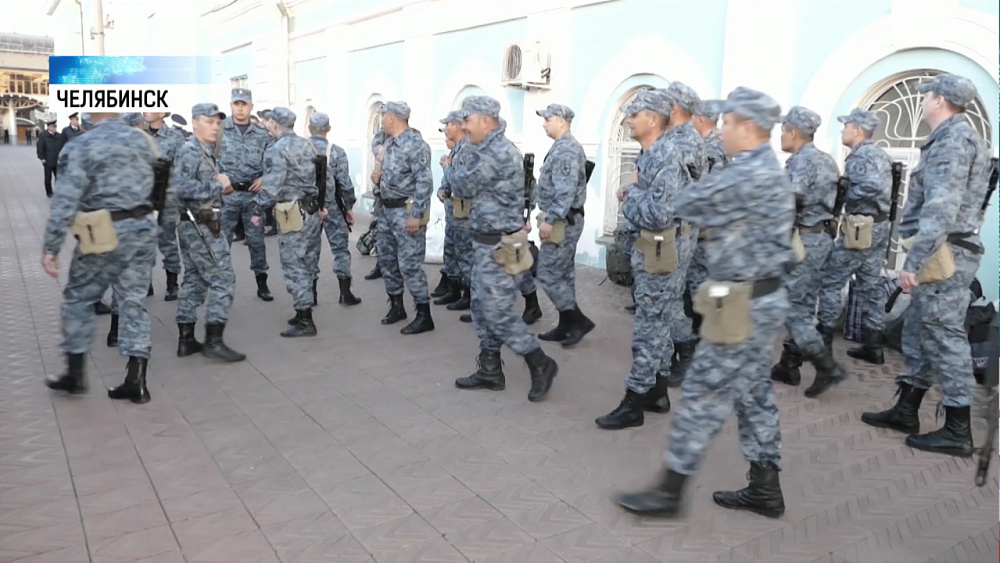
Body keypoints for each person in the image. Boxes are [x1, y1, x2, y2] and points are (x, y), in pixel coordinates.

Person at [616, 87, 794, 519]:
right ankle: (766, 488)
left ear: (747, 127)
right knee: (754, 398)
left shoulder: (744, 174)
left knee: (700, 394)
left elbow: (680, 205)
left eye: (728, 123)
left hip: (738, 305)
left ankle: (669, 492)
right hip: (761, 298)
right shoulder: (769, 169)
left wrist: (639, 186)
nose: (720, 130)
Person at [862, 74, 992, 457]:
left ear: (939, 101)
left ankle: (957, 430)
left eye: (926, 96)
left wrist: (913, 264)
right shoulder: (954, 137)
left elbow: (941, 208)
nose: (921, 102)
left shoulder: (953, 140)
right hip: (945, 249)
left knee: (945, 337)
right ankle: (907, 410)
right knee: (919, 329)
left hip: (943, 253)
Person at [42, 111, 176, 404]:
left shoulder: (81, 145)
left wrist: (51, 247)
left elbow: (65, 201)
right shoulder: (146, 143)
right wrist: (163, 230)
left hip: (101, 233)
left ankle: (75, 374)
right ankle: (136, 381)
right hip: (142, 231)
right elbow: (168, 190)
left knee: (78, 298)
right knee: (134, 302)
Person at [450, 95, 559, 402]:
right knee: (482, 308)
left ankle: (540, 362)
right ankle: (489, 368)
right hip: (488, 241)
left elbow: (461, 186)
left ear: (485, 120)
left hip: (500, 245)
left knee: (497, 312)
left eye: (467, 121)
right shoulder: (486, 148)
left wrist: (454, 165)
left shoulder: (494, 152)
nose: (464, 127)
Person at [595, 89, 683, 429]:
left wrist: (630, 194)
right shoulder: (651, 154)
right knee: (656, 325)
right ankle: (657, 392)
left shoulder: (665, 156)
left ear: (653, 119)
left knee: (648, 329)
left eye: (635, 114)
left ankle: (634, 402)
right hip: (649, 251)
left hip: (659, 252)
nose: (629, 119)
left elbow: (660, 213)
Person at [770, 106, 847, 397]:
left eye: (782, 130)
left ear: (792, 132)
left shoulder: (800, 163)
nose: (780, 135)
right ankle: (788, 364)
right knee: (801, 306)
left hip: (802, 241)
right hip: (821, 239)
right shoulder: (827, 161)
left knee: (791, 308)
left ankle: (826, 366)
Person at [815, 108, 893, 364]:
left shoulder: (861, 156)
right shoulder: (877, 154)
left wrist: (842, 193)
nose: (842, 129)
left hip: (860, 227)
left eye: (846, 125)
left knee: (831, 281)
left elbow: (870, 187)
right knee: (870, 286)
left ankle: (823, 338)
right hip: (877, 226)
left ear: (857, 129)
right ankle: (873, 344)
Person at [172, 103, 246, 362]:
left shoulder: (204, 151)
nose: (215, 127)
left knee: (194, 278)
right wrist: (216, 184)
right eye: (208, 121)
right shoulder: (191, 150)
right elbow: (181, 188)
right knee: (223, 279)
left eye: (217, 122)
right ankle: (214, 341)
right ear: (194, 123)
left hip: (198, 222)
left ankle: (186, 339)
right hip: (199, 224)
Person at [251, 107, 322, 337]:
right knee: (308, 261)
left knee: (294, 265)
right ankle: (303, 311)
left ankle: (305, 320)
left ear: (273, 123)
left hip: (291, 212)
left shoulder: (277, 149)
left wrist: (257, 207)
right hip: (310, 209)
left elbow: (272, 186)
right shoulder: (308, 144)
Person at [531, 103, 595, 347]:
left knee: (547, 273)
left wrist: (552, 218)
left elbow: (565, 190)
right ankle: (567, 325)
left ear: (562, 121)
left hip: (562, 221)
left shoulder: (567, 149)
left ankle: (577, 320)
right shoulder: (561, 147)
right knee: (564, 274)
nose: (544, 123)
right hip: (564, 218)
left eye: (548, 118)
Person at [371, 101, 435, 335]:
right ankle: (397, 306)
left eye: (383, 116)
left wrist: (416, 214)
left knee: (410, 264)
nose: (381, 120)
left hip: (406, 211)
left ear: (392, 118)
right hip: (386, 210)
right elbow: (378, 153)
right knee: (387, 260)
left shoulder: (415, 145)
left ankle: (424, 314)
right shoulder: (388, 143)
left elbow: (424, 182)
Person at [219, 88, 274, 301]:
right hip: (228, 195)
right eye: (236, 104)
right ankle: (221, 284)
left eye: (244, 104)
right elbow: (208, 161)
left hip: (253, 197)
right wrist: (218, 178)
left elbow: (274, 163)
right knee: (221, 241)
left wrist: (265, 179)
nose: (240, 108)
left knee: (256, 241)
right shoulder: (220, 131)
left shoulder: (262, 134)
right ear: (231, 105)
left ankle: (262, 283)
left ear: (251, 106)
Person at [306, 112, 361, 306]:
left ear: (309, 128)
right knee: (340, 249)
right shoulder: (337, 151)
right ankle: (345, 293)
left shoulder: (301, 150)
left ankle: (310, 295)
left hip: (307, 208)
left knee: (309, 250)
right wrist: (348, 206)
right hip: (333, 207)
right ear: (329, 129)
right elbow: (344, 183)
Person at [144, 112, 187, 301]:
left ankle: (172, 283)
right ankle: (146, 284)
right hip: (142, 199)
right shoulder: (138, 135)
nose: (145, 111)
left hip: (166, 200)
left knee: (168, 242)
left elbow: (182, 169)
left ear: (162, 112)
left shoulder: (175, 138)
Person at [36, 120, 64, 198]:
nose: (54, 128)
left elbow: (62, 147)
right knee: (48, 178)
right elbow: (40, 147)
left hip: (58, 160)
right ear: (48, 127)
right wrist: (41, 157)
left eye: (55, 126)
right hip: (47, 160)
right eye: (53, 126)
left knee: (58, 177)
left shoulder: (59, 136)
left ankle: (59, 191)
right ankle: (49, 192)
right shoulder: (43, 135)